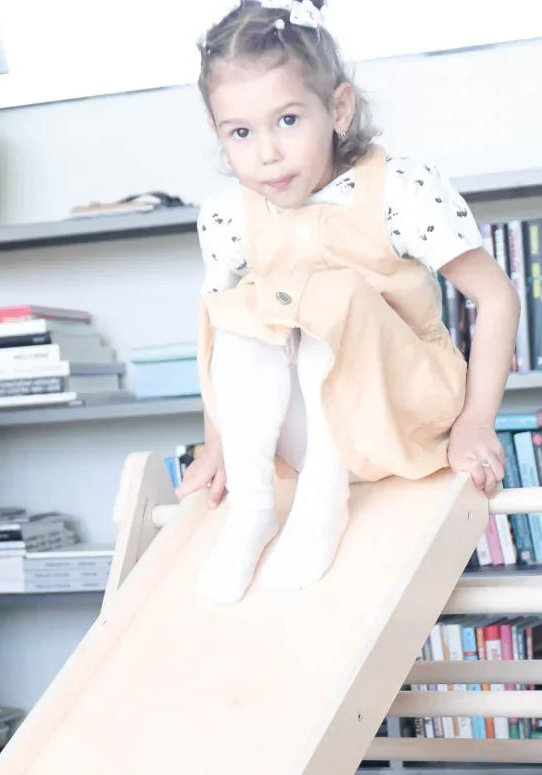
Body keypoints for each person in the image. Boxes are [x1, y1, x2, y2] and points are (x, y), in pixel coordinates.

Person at [178, 0, 520, 604]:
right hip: (301, 437)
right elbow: (221, 335)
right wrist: (219, 444)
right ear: (216, 132)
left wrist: (475, 424)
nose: (267, 152)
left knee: (326, 296)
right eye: (241, 132)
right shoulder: (229, 214)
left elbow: (496, 298)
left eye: (287, 120)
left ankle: (323, 504)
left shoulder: (399, 189)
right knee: (238, 309)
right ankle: (254, 508)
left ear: (337, 108)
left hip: (398, 418)